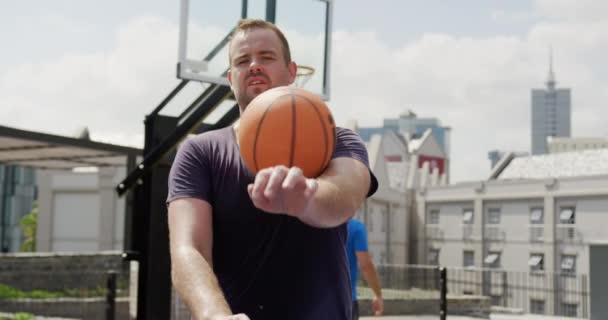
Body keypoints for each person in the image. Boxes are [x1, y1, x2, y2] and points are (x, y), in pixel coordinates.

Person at [166, 19, 378, 320]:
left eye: (266, 57)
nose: (253, 65)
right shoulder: (200, 151)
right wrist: (214, 315)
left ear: (292, 72)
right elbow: (189, 248)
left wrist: (306, 199)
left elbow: (345, 196)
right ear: (230, 78)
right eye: (242, 61)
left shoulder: (336, 139)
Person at [346, 219, 384, 319]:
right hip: (345, 300)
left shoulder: (313, 221)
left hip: (312, 301)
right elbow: (366, 266)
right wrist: (378, 295)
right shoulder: (355, 227)